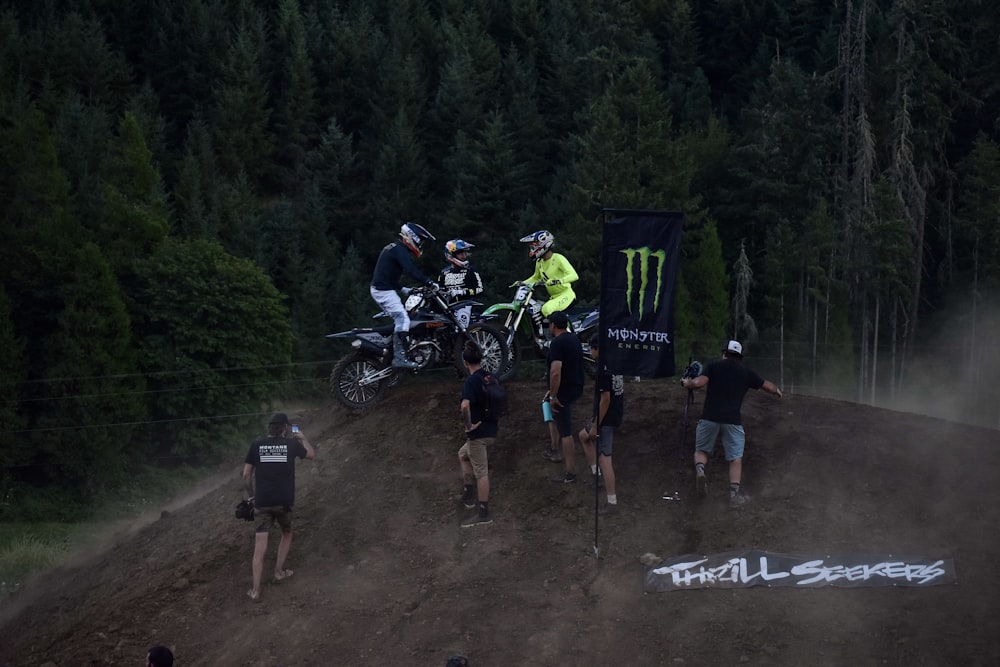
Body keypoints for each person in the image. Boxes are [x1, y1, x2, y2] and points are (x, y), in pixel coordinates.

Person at [680, 340, 783, 507]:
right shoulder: (746, 373)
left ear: (724, 353)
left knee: (701, 450)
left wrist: (686, 383)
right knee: (735, 457)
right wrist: (777, 391)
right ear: (739, 357)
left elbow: (698, 383)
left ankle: (700, 470)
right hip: (733, 421)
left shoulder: (714, 366)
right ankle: (733, 496)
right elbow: (767, 386)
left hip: (710, 417)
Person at [242, 413, 316, 601]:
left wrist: (251, 496)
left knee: (260, 546)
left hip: (262, 501)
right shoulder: (292, 444)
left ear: (269, 428)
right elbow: (311, 454)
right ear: (285, 428)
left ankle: (255, 591)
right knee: (287, 532)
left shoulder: (257, 444)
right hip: (283, 501)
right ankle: (278, 572)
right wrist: (301, 436)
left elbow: (246, 474)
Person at [370, 222, 438, 368]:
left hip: (384, 288)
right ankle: (400, 357)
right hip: (383, 291)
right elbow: (410, 270)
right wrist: (429, 282)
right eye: (420, 240)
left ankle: (395, 349)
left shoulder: (395, 248)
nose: (421, 244)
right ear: (411, 237)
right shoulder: (399, 250)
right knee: (403, 319)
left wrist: (404, 289)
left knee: (402, 318)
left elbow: (388, 275)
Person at [578, 333, 623, 512]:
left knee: (605, 458)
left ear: (597, 349)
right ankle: (596, 474)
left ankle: (612, 501)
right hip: (613, 415)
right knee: (583, 436)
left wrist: (596, 424)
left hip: (606, 419)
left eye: (591, 348)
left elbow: (606, 399)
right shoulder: (614, 363)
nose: (590, 352)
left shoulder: (604, 369)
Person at [457, 341, 498, 527]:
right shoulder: (491, 377)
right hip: (491, 429)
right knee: (463, 454)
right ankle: (468, 493)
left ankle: (484, 513)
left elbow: (465, 405)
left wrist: (469, 425)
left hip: (478, 434)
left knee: (481, 472)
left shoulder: (471, 381)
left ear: (465, 362)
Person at [542, 311, 584, 483]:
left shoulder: (557, 343)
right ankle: (553, 448)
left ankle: (570, 472)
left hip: (563, 392)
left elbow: (555, 372)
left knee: (566, 432)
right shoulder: (574, 339)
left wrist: (554, 396)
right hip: (575, 386)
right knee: (548, 408)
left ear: (553, 325)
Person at [518, 230, 578, 334]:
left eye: (533, 246)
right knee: (536, 310)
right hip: (554, 297)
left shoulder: (558, 258)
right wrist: (522, 283)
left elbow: (574, 275)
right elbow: (536, 277)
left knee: (546, 309)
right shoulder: (539, 262)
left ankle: (566, 335)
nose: (532, 249)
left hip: (566, 294)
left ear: (543, 244)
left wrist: (559, 281)